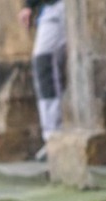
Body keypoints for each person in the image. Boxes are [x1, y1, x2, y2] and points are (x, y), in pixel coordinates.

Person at [20, 0, 67, 160]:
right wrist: (28, 5)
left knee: (45, 63)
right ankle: (53, 135)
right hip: (50, 8)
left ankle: (54, 134)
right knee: (44, 65)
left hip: (61, 7)